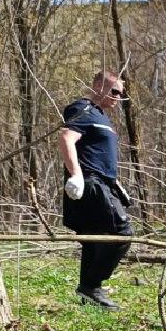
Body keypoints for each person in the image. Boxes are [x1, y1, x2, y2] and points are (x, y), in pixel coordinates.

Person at [59, 70, 133, 310]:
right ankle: (91, 285)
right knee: (122, 232)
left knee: (93, 238)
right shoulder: (83, 109)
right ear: (98, 86)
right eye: (114, 91)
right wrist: (76, 175)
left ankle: (89, 292)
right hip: (90, 183)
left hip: (104, 183)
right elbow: (66, 138)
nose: (118, 97)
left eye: (121, 93)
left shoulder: (101, 116)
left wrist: (115, 183)